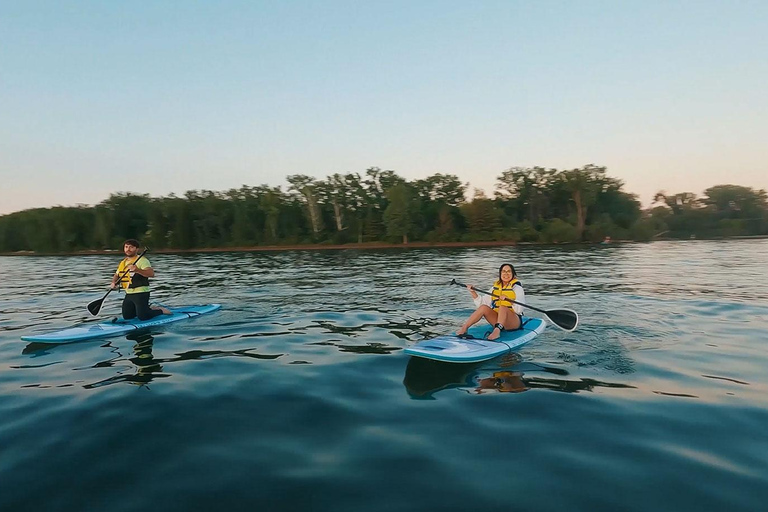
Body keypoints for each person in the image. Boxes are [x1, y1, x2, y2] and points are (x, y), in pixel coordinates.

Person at [455, 263, 526, 341]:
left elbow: (519, 310)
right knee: (483, 308)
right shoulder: (495, 288)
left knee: (503, 307)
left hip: (513, 322)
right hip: (498, 320)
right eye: (503, 271)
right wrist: (473, 292)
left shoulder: (517, 288)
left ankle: (497, 331)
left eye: (509, 271)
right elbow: (482, 304)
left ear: (513, 274)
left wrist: (510, 301)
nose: (506, 274)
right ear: (500, 274)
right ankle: (464, 328)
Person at [110, 239, 170, 320]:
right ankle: (147, 309)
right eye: (126, 247)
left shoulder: (142, 260)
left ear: (136, 249)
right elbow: (117, 275)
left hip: (141, 292)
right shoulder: (123, 263)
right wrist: (114, 282)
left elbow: (151, 274)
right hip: (129, 293)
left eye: (131, 247)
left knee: (142, 317)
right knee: (127, 317)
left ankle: (160, 310)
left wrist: (137, 270)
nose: (128, 249)